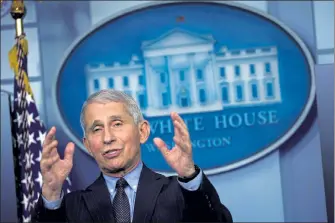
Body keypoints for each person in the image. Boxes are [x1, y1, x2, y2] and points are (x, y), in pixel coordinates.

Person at [32, 89, 233, 222]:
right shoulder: (70, 207)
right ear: (88, 145)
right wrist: (50, 194)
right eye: (97, 129)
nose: (107, 137)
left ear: (142, 132)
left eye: (117, 124)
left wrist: (189, 175)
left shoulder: (179, 193)